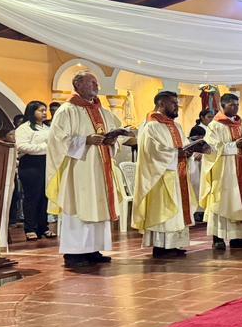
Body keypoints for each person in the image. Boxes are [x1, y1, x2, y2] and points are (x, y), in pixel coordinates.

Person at [46, 72, 130, 268]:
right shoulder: (67, 110)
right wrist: (85, 140)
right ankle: (74, 253)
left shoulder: (102, 111)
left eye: (96, 82)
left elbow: (117, 133)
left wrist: (112, 140)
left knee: (97, 206)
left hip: (101, 168)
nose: (96, 85)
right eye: (91, 82)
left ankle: (93, 249)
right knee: (79, 206)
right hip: (79, 169)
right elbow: (57, 140)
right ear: (78, 85)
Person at [133, 91, 208, 259]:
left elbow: (183, 147)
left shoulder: (176, 126)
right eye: (173, 103)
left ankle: (174, 244)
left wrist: (190, 150)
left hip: (178, 173)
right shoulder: (151, 126)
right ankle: (161, 247)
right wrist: (178, 153)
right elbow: (153, 151)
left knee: (178, 211)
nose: (177, 107)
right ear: (162, 104)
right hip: (160, 175)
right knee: (165, 211)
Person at [200, 93, 242, 250]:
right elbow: (211, 149)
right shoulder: (215, 126)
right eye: (232, 105)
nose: (235, 108)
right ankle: (218, 238)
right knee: (222, 201)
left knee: (240, 200)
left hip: (240, 168)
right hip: (223, 172)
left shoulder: (239, 125)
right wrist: (234, 146)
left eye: (237, 105)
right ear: (223, 106)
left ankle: (238, 237)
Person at [14, 101, 52, 241]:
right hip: (30, 164)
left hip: (45, 164)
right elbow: (22, 146)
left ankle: (43, 227)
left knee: (44, 196)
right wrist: (44, 147)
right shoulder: (24, 128)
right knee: (32, 197)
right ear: (32, 111)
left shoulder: (47, 128)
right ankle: (30, 228)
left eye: (45, 110)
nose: (44, 113)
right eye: (41, 110)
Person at [188, 109, 214, 223]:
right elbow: (192, 143)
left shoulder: (212, 128)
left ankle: (204, 209)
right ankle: (198, 210)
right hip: (197, 160)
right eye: (209, 117)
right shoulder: (197, 129)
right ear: (202, 117)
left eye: (212, 117)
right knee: (197, 185)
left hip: (206, 159)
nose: (211, 119)